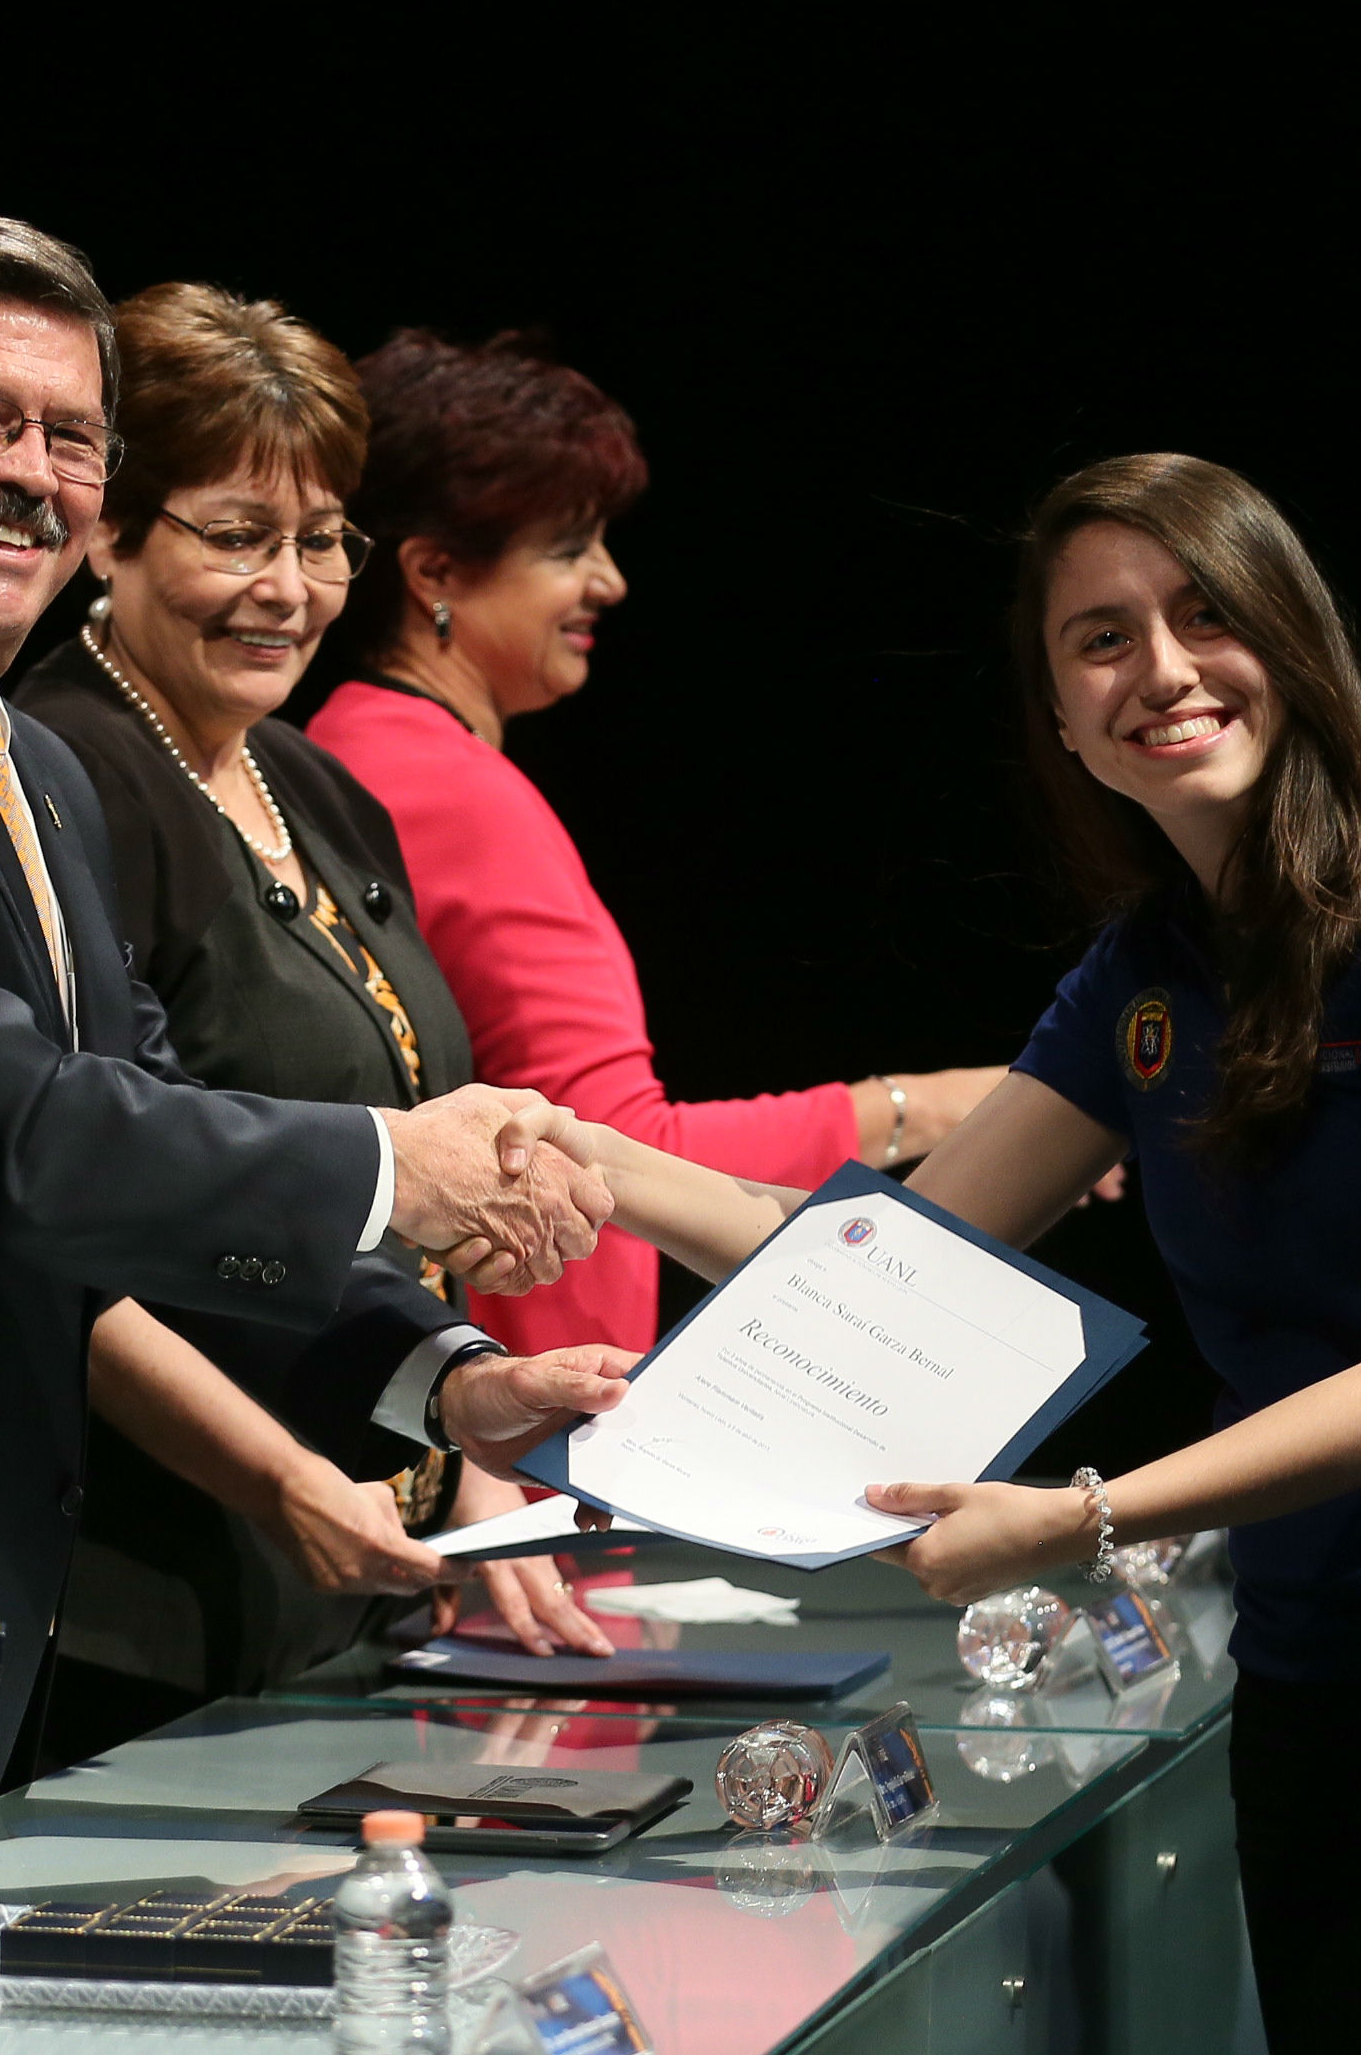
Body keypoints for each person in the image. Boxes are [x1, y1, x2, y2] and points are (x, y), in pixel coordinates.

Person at [549, 453, 1361, 2055]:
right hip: (1322, 1671)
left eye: (1204, 615)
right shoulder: (1153, 968)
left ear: (1296, 640)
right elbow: (873, 1270)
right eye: (1101, 640)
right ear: (1057, 713)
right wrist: (577, 1159)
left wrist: (1079, 1518)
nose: (1163, 671)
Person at [0, 218, 634, 1869]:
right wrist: (395, 1166)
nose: (29, 474)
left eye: (70, 436)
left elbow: (148, 1116)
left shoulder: (25, 758)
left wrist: (445, 1380)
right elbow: (17, 1139)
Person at [17, 281, 614, 1707]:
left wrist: (460, 1435)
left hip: (361, 1565)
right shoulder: (61, 774)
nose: (288, 588)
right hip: (156, 1587)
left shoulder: (320, 786)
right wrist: (282, 1471)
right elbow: (79, 1222)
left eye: (321, 541)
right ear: (112, 528)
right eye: (235, 536)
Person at [308, 328, 1007, 1358]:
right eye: (568, 547)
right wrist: (944, 1108)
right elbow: (628, 1147)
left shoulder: (345, 748)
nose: (611, 581)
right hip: (521, 1403)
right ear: (435, 571)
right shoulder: (448, 788)